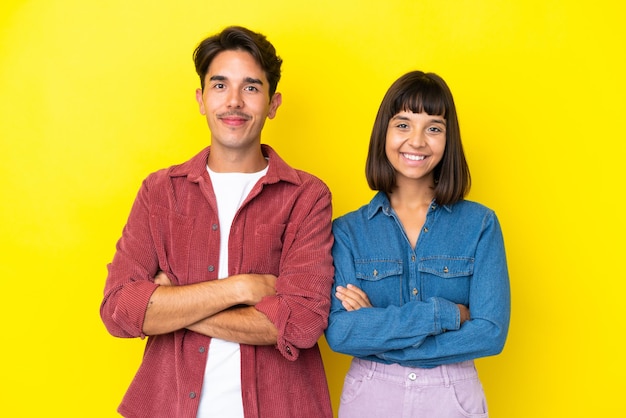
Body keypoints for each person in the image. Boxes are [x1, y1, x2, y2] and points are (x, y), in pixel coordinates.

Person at [100, 26, 334, 418]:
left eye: (251, 88)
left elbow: (302, 323)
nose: (234, 102)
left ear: (273, 103)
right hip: (170, 407)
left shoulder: (306, 196)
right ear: (201, 99)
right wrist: (241, 288)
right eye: (220, 85)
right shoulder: (160, 192)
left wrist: (173, 306)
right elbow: (120, 310)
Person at [325, 71, 511, 418]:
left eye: (434, 128)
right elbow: (340, 333)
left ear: (448, 139)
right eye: (403, 124)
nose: (418, 141)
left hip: (452, 393)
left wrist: (378, 332)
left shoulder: (481, 224)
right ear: (384, 132)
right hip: (371, 392)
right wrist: (446, 313)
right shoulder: (348, 231)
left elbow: (490, 334)